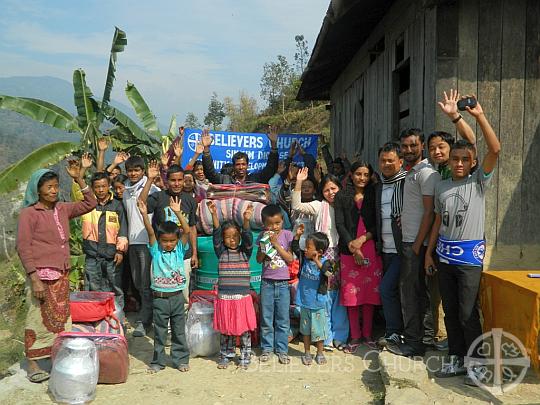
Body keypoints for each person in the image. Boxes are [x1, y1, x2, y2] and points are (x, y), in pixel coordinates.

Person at [425, 97, 500, 385]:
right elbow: (439, 222)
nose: (458, 163)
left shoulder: (479, 181)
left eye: (464, 160)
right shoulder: (443, 186)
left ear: (473, 163)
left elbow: (495, 148)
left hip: (469, 260)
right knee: (451, 312)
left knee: (469, 313)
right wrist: (430, 253)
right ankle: (456, 359)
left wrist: (478, 116)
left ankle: (477, 363)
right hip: (444, 258)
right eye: (454, 159)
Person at [16, 160, 97, 383]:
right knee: (36, 317)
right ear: (37, 189)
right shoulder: (29, 214)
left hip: (61, 273)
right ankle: (32, 363)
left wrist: (79, 178)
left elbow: (90, 203)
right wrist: (34, 279)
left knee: (61, 319)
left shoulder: (62, 208)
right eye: (49, 187)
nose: (54, 191)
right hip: (41, 276)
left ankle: (57, 357)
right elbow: (23, 246)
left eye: (56, 186)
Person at [387, 129, 441, 357]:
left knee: (411, 294)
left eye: (413, 146)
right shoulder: (411, 172)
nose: (408, 150)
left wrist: (419, 246)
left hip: (417, 244)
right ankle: (423, 339)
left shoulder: (426, 173)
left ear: (422, 147)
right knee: (417, 293)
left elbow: (430, 212)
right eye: (405, 146)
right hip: (411, 241)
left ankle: (413, 343)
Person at [291, 168, 349, 350]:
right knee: (324, 295)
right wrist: (299, 181)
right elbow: (297, 205)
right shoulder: (318, 206)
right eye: (326, 190)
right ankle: (325, 337)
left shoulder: (346, 204)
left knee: (338, 296)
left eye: (334, 188)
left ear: (340, 188)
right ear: (321, 193)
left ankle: (339, 335)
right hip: (322, 254)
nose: (331, 192)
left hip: (341, 253)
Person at [137, 197, 191, 373]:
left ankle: (181, 359)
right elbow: (150, 232)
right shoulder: (156, 250)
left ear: (176, 240)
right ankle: (158, 362)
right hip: (160, 298)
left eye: (171, 241)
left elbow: (187, 230)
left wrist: (177, 212)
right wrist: (145, 214)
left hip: (176, 297)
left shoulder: (180, 250)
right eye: (165, 241)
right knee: (159, 333)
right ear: (159, 241)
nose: (168, 244)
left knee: (179, 331)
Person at [334, 161, 382, 352]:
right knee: (352, 294)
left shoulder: (375, 194)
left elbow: (377, 223)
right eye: (358, 174)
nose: (362, 178)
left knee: (370, 294)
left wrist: (361, 241)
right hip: (349, 250)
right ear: (351, 175)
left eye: (365, 174)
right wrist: (353, 247)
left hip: (370, 247)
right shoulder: (341, 196)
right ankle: (354, 336)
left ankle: (368, 335)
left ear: (370, 176)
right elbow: (340, 224)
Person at [206, 200, 257, 369]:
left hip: (242, 297)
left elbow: (249, 238)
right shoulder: (221, 252)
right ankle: (226, 355)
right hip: (225, 297)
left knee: (243, 330)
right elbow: (215, 234)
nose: (232, 239)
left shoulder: (245, 252)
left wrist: (247, 221)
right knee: (226, 329)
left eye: (235, 236)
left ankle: (245, 355)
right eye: (227, 237)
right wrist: (214, 215)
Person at [141, 162, 199, 302]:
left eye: (180, 180)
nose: (177, 183)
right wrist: (149, 179)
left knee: (183, 292)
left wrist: (195, 253)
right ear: (167, 181)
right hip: (162, 255)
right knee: (161, 289)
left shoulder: (190, 200)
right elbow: (141, 203)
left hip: (183, 254)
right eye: (173, 180)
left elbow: (191, 228)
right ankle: (162, 320)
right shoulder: (159, 197)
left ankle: (181, 321)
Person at [123, 156, 160, 337]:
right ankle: (148, 315)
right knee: (138, 283)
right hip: (132, 242)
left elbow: (142, 204)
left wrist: (151, 179)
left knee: (146, 284)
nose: (133, 173)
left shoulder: (153, 189)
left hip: (147, 241)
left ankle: (144, 321)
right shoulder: (126, 190)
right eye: (130, 170)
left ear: (143, 171)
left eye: (137, 170)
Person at [374, 142, 406, 349]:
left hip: (403, 249)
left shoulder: (407, 184)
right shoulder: (378, 187)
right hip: (385, 249)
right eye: (383, 161)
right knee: (392, 291)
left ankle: (395, 332)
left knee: (387, 289)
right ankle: (397, 330)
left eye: (390, 161)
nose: (386, 164)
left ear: (400, 162)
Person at [81, 172, 128, 311]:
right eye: (97, 187)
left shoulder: (117, 206)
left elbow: (123, 230)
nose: (101, 190)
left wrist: (120, 250)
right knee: (93, 286)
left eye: (104, 186)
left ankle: (116, 315)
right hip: (92, 254)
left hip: (112, 254)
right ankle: (95, 315)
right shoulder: (88, 204)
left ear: (109, 186)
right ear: (92, 188)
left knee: (115, 286)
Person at [256, 204, 294, 364]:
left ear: (282, 222)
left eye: (277, 223)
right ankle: (266, 349)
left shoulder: (287, 235)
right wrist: (265, 247)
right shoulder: (261, 236)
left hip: (283, 284)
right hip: (267, 283)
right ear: (264, 224)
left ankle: (282, 350)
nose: (274, 227)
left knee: (283, 319)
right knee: (266, 318)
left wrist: (276, 244)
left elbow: (290, 259)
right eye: (270, 224)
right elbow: (258, 260)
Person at [292, 226, 333, 366]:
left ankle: (320, 352)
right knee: (306, 330)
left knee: (319, 331)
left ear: (319, 252)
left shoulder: (326, 263)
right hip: (305, 302)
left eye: (309, 247)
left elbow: (328, 274)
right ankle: (307, 352)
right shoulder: (304, 259)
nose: (305, 249)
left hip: (318, 304)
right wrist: (297, 236)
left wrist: (317, 261)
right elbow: (295, 248)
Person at [201, 127, 279, 184]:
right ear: (234, 166)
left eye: (243, 164)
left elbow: (270, 169)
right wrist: (206, 149)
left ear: (247, 165)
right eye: (238, 164)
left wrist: (274, 145)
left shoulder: (255, 180)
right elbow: (210, 173)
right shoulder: (225, 180)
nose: (241, 167)